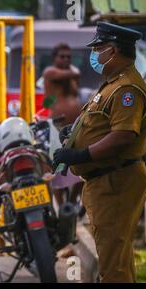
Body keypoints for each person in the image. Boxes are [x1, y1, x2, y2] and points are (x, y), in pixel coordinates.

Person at [53, 21, 146, 282]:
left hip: (117, 180)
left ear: (114, 51)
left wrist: (80, 156)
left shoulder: (126, 89)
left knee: (113, 262)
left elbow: (123, 135)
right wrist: (72, 138)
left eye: (99, 48)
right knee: (116, 257)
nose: (95, 54)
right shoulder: (112, 84)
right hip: (106, 181)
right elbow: (100, 125)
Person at [42, 44, 84, 208]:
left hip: (75, 127)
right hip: (57, 127)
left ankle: (71, 204)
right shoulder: (51, 72)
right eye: (62, 56)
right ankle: (60, 206)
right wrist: (73, 70)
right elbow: (75, 72)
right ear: (54, 58)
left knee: (79, 164)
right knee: (58, 167)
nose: (66, 59)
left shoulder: (71, 75)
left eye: (68, 56)